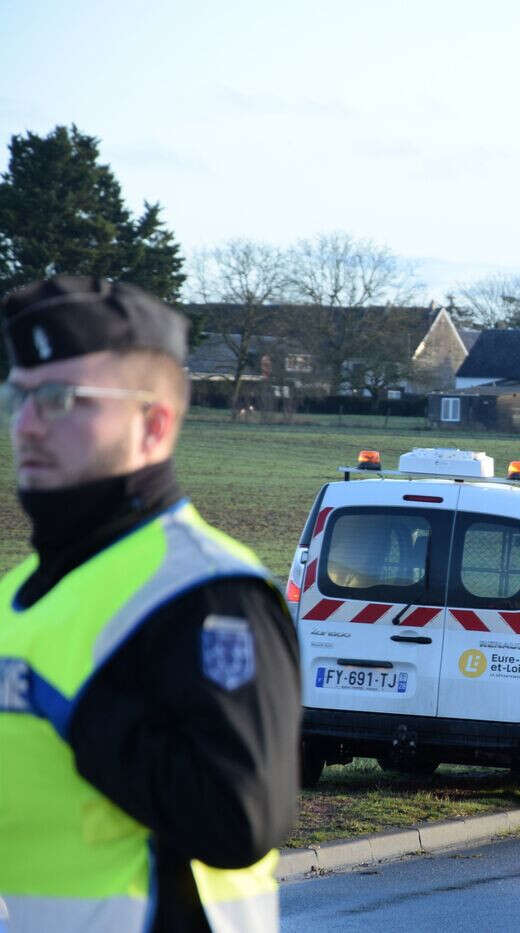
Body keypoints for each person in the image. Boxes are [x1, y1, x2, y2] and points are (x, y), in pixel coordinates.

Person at [0, 276, 300, 931]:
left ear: (153, 423)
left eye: (59, 399)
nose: (25, 424)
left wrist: (73, 706)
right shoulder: (14, 597)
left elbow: (240, 816)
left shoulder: (208, 592)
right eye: (17, 396)